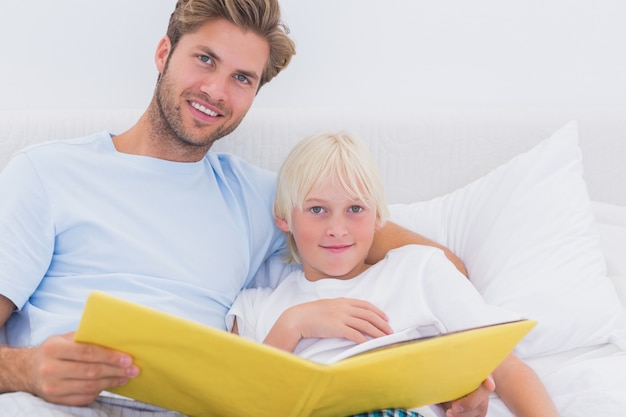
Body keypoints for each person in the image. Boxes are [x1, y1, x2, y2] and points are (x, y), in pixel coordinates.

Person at [0, 0, 489, 416]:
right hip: (57, 402)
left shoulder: (264, 198)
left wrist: (453, 373)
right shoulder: (46, 173)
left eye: (241, 78)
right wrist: (26, 368)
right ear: (164, 52)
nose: (216, 91)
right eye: (205, 60)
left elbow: (432, 262)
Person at [227, 131, 560, 417]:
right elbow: (240, 403)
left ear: (377, 217)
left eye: (355, 209)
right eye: (317, 210)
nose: (338, 229)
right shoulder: (256, 307)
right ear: (284, 216)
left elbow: (509, 369)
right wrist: (293, 325)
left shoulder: (420, 270)